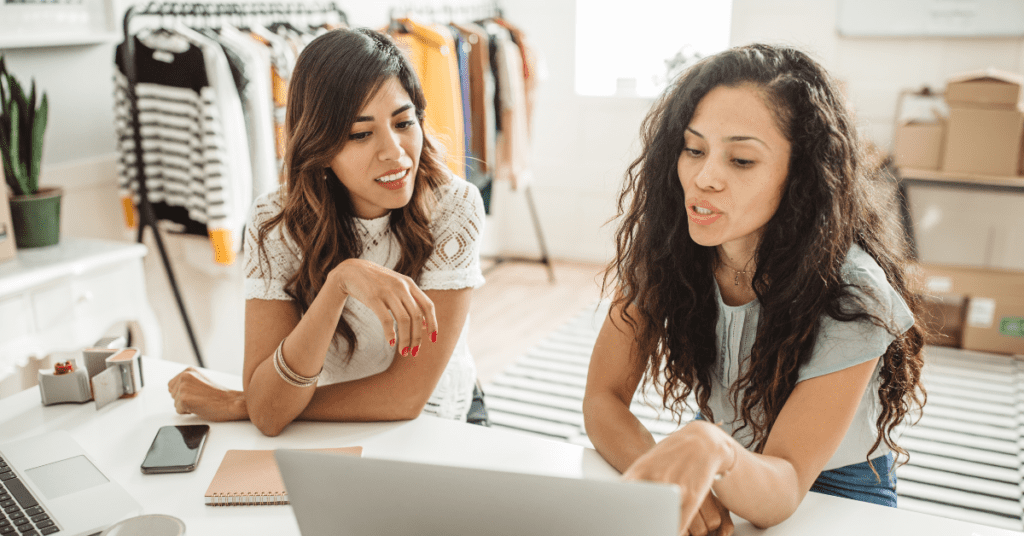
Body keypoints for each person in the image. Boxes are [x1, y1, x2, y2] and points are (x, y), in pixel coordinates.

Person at [583, 44, 926, 535]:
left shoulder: (853, 292)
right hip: (722, 468)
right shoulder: (667, 250)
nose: (704, 178)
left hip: (832, 490)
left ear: (803, 175)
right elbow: (603, 398)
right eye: (694, 149)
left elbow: (784, 487)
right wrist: (668, 476)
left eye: (741, 160)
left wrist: (710, 448)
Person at [167, 27, 488, 436]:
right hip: (328, 427)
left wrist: (245, 403)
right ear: (320, 145)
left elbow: (405, 398)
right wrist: (340, 282)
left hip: (441, 422)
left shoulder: (453, 206)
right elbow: (269, 413)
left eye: (404, 122)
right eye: (360, 133)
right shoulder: (274, 221)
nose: (395, 152)